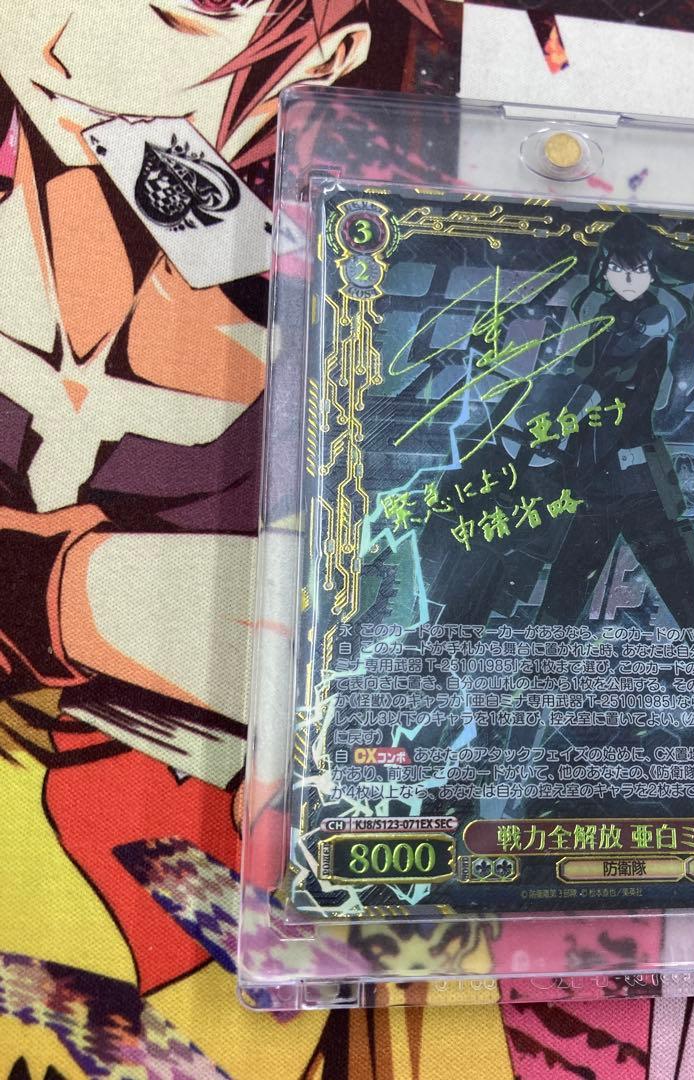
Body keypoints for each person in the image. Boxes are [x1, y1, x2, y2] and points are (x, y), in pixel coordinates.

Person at [0, 0, 434, 995]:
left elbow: (390, 649)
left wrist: (59, 592)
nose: (66, 36)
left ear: (324, 53)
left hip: (189, 904)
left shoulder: (322, 316)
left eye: (191, 7)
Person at [533, 216, 694, 630]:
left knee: (678, 584)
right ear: (605, 269)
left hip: (637, 478)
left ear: (651, 270)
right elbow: (593, 379)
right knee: (567, 584)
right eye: (618, 268)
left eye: (637, 268)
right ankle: (540, 667)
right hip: (600, 479)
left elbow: (606, 381)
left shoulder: (649, 323)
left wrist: (565, 425)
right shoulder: (606, 319)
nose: (627, 278)